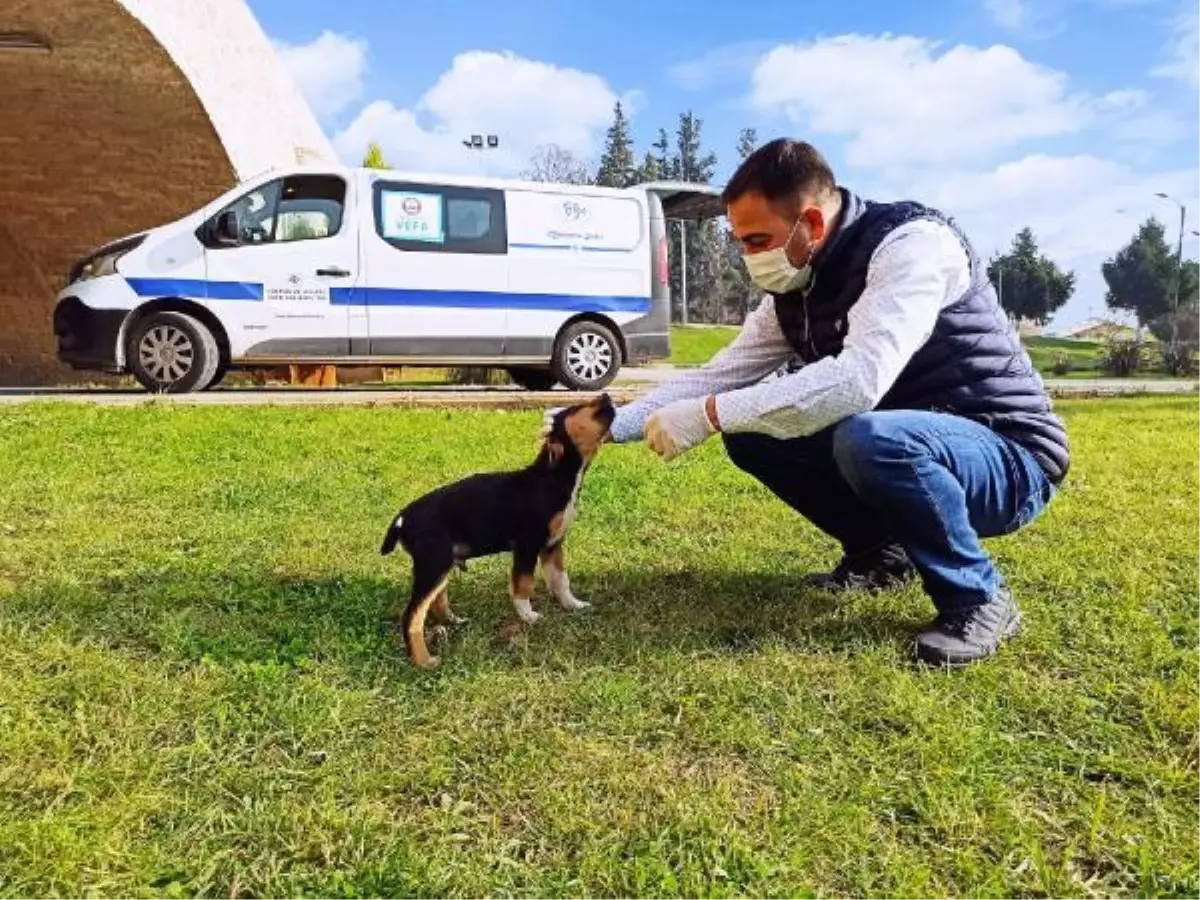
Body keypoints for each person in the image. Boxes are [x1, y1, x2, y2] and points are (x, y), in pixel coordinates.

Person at [548, 137, 1070, 666]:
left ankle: (977, 596)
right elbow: (722, 374)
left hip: (1008, 455)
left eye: (757, 240)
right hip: (908, 440)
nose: (750, 258)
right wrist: (603, 423)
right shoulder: (795, 290)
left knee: (871, 438)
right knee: (756, 432)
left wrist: (707, 415)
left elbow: (858, 381)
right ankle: (879, 556)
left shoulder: (912, 246)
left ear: (812, 225)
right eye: (741, 243)